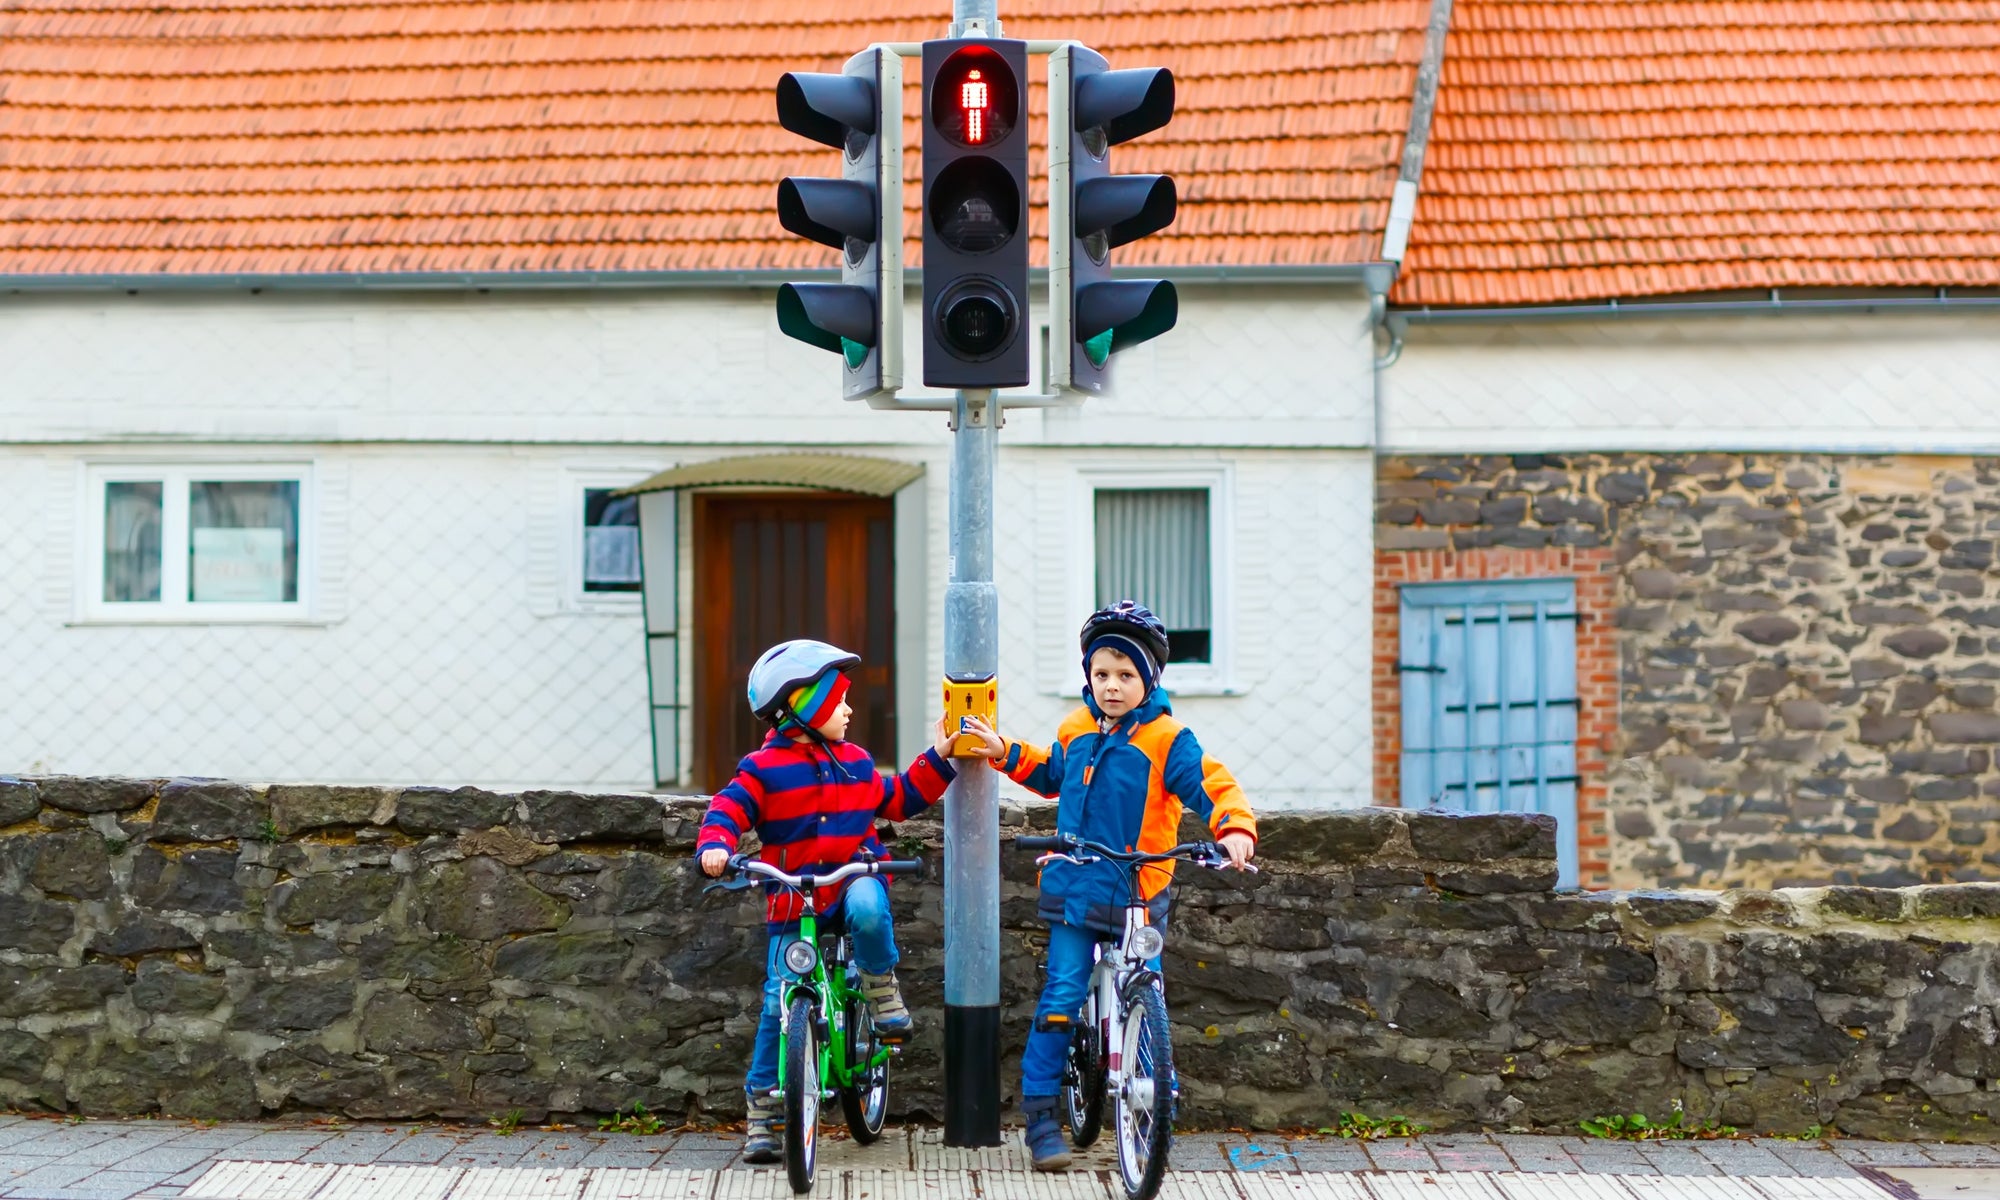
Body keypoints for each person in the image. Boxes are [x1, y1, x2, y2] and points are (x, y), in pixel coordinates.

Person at [955, 601, 1257, 1171]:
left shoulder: (1169, 739)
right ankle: (1042, 1115)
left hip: (1141, 890)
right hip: (1075, 882)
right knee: (1064, 994)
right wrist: (1005, 753)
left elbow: (1213, 785)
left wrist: (1235, 828)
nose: (1112, 687)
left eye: (1125, 675)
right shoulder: (1075, 728)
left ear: (1149, 680)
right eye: (1101, 674)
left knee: (1148, 989)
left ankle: (1152, 1091)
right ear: (1089, 677)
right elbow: (1051, 774)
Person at [697, 638, 966, 1165]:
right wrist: (715, 845)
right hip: (793, 899)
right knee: (779, 1001)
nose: (848, 710)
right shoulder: (761, 768)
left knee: (869, 907)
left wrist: (940, 758)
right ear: (804, 707)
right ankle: (765, 1115)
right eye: (837, 701)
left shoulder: (856, 763)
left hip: (851, 879)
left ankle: (880, 986)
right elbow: (728, 809)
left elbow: (900, 799)